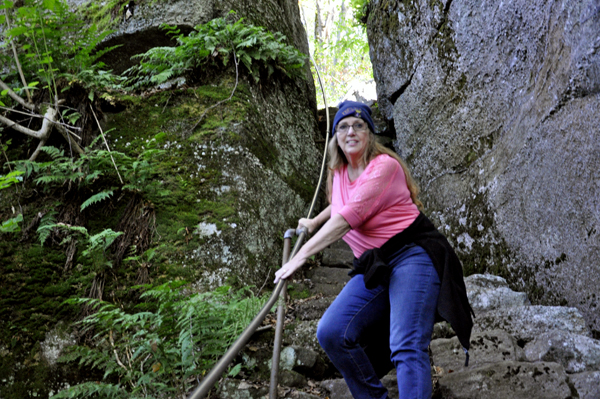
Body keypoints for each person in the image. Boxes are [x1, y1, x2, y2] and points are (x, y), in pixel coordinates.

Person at [274, 101, 473, 399]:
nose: (350, 131)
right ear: (335, 136)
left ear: (370, 132)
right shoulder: (339, 171)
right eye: (343, 126)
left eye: (358, 125)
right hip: (375, 265)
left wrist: (301, 256)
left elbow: (346, 218)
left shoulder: (384, 167)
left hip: (412, 254)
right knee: (330, 332)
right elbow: (339, 205)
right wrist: (315, 221)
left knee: (405, 343)